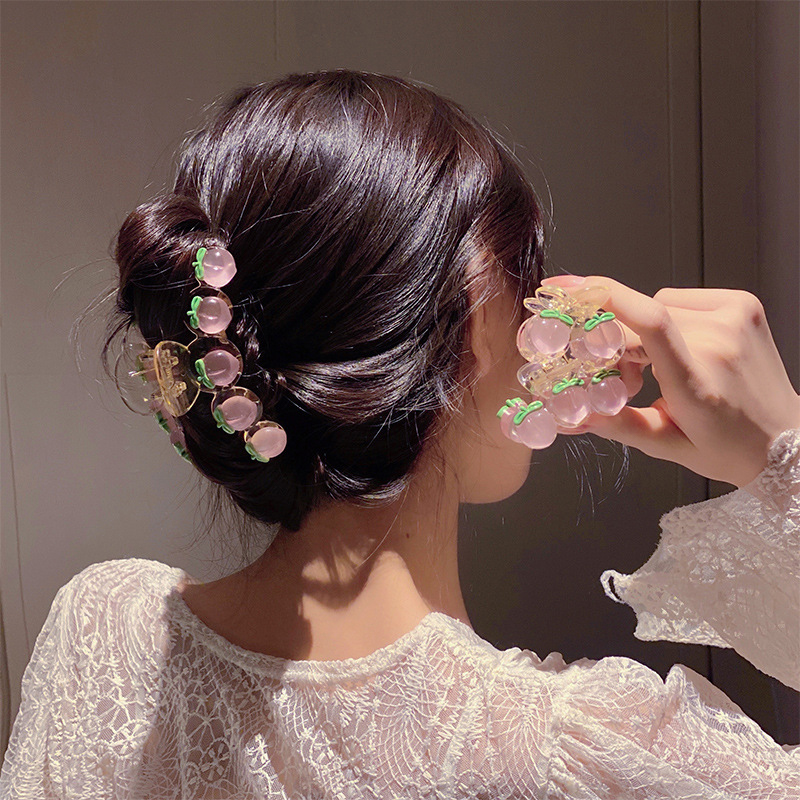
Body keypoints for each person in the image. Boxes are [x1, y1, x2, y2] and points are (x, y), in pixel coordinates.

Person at [1, 69, 798, 799]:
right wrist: (783, 458)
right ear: (478, 315)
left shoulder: (104, 636)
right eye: (528, 282)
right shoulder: (594, 751)